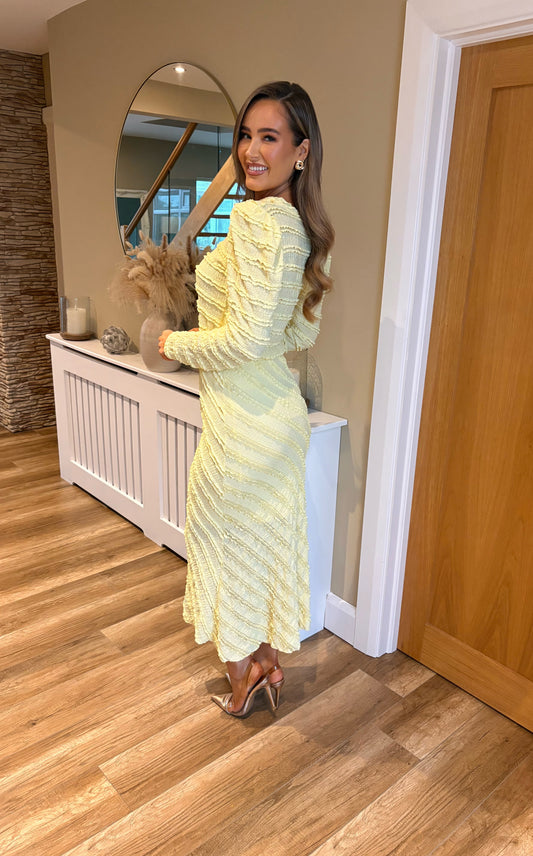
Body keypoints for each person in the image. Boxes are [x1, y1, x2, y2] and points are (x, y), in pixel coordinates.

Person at [158, 81, 334, 718]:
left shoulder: (259, 221)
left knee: (223, 545)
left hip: (242, 425)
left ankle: (243, 679)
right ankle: (265, 663)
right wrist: (244, 336)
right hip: (275, 419)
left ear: (300, 150)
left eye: (270, 137)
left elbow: (249, 338)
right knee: (254, 547)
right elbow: (298, 333)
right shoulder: (304, 227)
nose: (252, 150)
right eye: (245, 135)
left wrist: (175, 342)